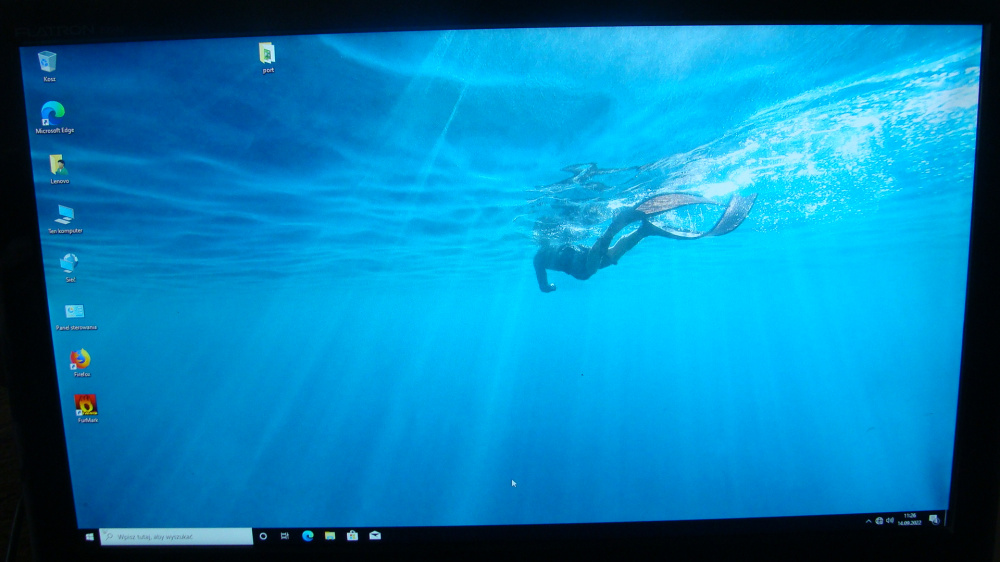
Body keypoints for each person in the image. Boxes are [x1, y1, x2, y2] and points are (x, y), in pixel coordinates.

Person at [533, 192, 757, 292]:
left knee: (588, 270)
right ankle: (644, 230)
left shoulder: (539, 257)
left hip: (581, 261)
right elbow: (543, 285)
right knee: (609, 256)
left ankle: (615, 227)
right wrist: (548, 287)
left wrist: (551, 288)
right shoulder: (543, 254)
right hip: (583, 254)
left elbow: (544, 285)